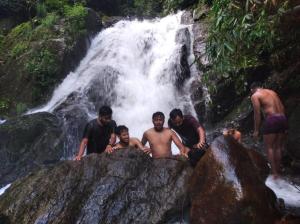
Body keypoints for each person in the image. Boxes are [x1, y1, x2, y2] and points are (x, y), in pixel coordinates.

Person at [250, 82, 288, 178]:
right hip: (282, 118)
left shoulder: (255, 95)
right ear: (261, 87)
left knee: (269, 147)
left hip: (272, 119)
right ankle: (278, 171)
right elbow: (282, 107)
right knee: (278, 147)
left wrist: (256, 130)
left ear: (252, 90)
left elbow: (257, 114)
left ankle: (274, 173)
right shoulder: (272, 92)